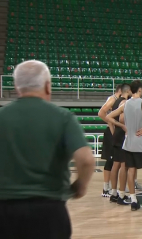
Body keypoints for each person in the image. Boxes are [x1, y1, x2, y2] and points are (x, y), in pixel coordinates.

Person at [0, 60, 95, 239]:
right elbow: (86, 160)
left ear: (17, 86)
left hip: (4, 210)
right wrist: (80, 186)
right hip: (49, 211)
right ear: (47, 86)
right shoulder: (63, 117)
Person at [106, 80, 142, 211]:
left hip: (128, 142)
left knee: (131, 170)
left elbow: (109, 116)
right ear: (140, 89)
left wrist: (122, 126)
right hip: (141, 142)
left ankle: (133, 201)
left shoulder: (125, 104)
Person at [107, 83, 132, 205]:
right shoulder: (124, 102)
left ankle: (114, 193)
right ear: (128, 91)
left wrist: (114, 130)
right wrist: (124, 126)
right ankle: (121, 195)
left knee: (115, 165)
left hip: (117, 135)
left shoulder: (116, 102)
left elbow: (109, 118)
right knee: (124, 166)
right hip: (122, 136)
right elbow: (121, 119)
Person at [98, 84, 122, 197]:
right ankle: (105, 188)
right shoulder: (113, 99)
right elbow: (101, 113)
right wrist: (110, 123)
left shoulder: (117, 100)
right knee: (110, 160)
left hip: (116, 132)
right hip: (111, 132)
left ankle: (112, 187)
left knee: (116, 160)